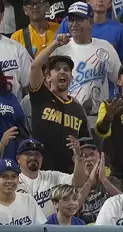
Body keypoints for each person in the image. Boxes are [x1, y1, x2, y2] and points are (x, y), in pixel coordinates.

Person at [28, 37, 89, 173]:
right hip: (42, 171)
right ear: (47, 77)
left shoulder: (77, 108)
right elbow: (35, 66)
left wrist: (79, 148)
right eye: (57, 69)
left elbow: (86, 142)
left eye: (66, 69)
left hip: (68, 172)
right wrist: (55, 44)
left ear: (71, 77)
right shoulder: (41, 96)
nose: (62, 72)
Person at [0, 158, 46, 225]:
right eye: (4, 177)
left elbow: (41, 229)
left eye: (14, 176)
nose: (9, 181)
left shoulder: (28, 200)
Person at [75, 137, 123, 223]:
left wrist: (103, 179)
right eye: (84, 156)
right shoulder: (74, 184)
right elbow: (73, 208)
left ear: (100, 158)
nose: (89, 159)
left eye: (92, 154)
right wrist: (89, 182)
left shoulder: (111, 181)